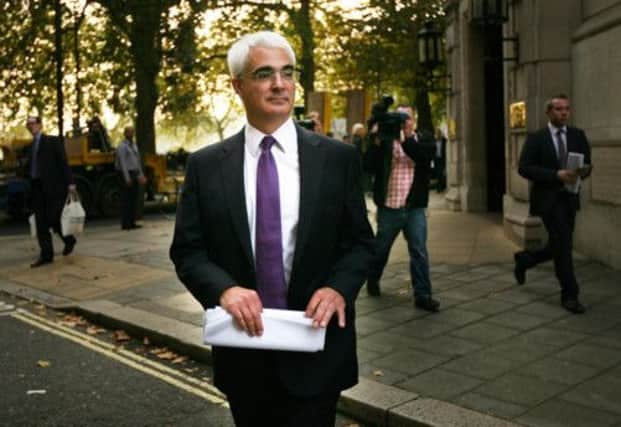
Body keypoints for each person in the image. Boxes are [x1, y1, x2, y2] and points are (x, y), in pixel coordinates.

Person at [169, 31, 374, 426]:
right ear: (238, 85)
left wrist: (337, 290)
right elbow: (188, 251)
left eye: (287, 73)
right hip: (244, 353)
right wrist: (225, 290)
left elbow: (360, 244)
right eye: (264, 74)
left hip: (316, 351)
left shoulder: (338, 159)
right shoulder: (206, 166)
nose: (279, 84)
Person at [514, 94, 592, 314]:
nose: (564, 113)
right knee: (564, 247)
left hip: (570, 198)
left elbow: (587, 164)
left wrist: (583, 172)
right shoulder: (537, 138)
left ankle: (526, 259)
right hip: (548, 201)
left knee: (558, 245)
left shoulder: (578, 135)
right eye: (558, 109)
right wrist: (556, 175)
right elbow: (524, 168)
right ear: (548, 112)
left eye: (567, 109)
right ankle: (570, 294)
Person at [363, 106, 440, 312]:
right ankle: (373, 277)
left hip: (414, 208)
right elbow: (368, 166)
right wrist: (375, 141)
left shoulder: (423, 139)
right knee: (381, 249)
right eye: (399, 118)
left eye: (407, 118)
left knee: (419, 251)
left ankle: (423, 294)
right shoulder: (385, 141)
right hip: (390, 207)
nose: (403, 121)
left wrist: (406, 139)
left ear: (413, 120)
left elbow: (424, 158)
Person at [24, 116, 77, 268]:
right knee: (41, 222)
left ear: (40, 125)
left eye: (33, 123)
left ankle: (69, 240)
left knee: (54, 218)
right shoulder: (30, 147)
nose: (30, 126)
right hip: (36, 187)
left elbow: (63, 163)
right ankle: (46, 255)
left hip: (53, 187)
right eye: (28, 124)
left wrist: (71, 183)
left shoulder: (52, 141)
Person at [115, 126, 146, 230]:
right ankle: (125, 223)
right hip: (125, 174)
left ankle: (132, 222)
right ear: (125, 133)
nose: (131, 134)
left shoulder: (134, 146)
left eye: (132, 132)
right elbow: (123, 163)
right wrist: (127, 178)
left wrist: (141, 175)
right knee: (126, 200)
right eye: (129, 132)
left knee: (133, 199)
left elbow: (137, 161)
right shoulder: (122, 146)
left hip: (134, 173)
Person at [434, 128, 447, 192]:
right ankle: (439, 187)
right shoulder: (434, 141)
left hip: (442, 159)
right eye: (436, 133)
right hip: (436, 159)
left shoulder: (444, 140)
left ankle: (441, 187)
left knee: (441, 174)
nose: (437, 134)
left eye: (438, 133)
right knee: (438, 174)